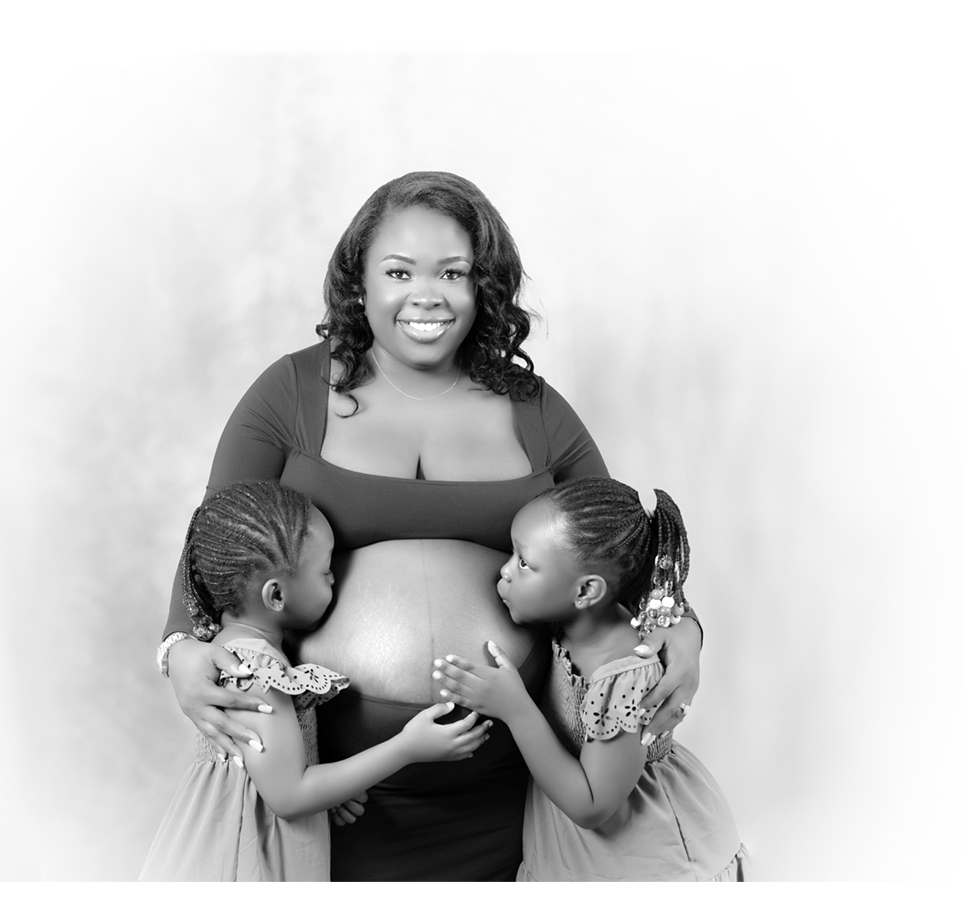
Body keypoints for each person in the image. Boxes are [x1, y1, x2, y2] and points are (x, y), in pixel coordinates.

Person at [154, 171, 708, 880]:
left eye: (453, 272)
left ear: (486, 286)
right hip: (326, 800)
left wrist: (683, 631)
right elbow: (213, 546)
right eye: (399, 271)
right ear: (359, 282)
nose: (427, 294)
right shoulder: (287, 396)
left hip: (517, 795)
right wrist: (179, 652)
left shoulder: (537, 411)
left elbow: (615, 552)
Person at [139, 481, 495, 881]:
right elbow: (290, 795)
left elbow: (272, 772)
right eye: (326, 571)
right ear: (277, 596)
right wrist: (406, 748)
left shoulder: (233, 647)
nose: (333, 581)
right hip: (250, 858)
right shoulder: (255, 669)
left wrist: (328, 785)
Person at [434, 478, 744, 881]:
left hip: (647, 860)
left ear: (585, 591)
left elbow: (593, 805)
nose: (505, 571)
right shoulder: (568, 621)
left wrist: (516, 709)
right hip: (574, 853)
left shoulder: (624, 672)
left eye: (524, 563)